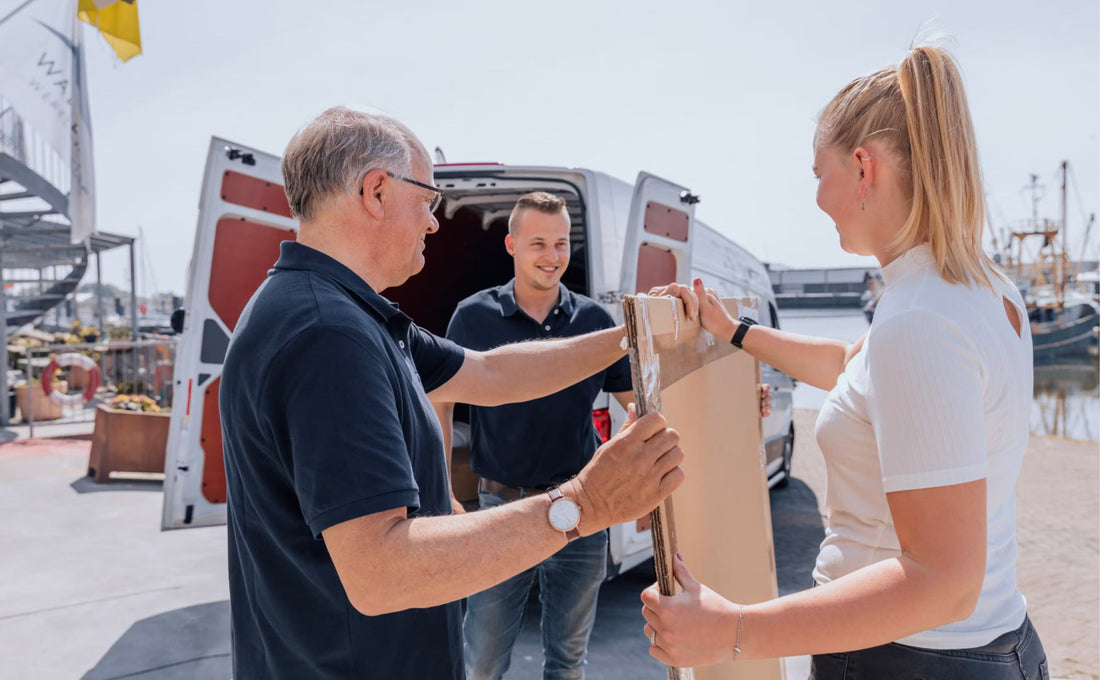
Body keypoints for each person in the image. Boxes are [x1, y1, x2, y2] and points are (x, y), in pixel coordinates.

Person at [218, 106, 691, 680]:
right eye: (429, 200)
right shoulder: (328, 336)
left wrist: (628, 337)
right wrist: (585, 503)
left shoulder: (340, 313)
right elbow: (382, 570)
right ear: (376, 191)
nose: (435, 223)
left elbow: (491, 374)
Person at [642, 46, 1048, 679]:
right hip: (991, 647)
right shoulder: (979, 288)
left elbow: (943, 581)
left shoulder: (919, 319)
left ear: (864, 168)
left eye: (817, 174)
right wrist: (735, 330)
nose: (817, 197)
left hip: (909, 660)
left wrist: (733, 630)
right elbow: (850, 369)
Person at [434, 192, 635, 680]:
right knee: (481, 663)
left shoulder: (593, 322)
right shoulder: (472, 316)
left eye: (562, 244)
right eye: (539, 243)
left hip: (581, 512)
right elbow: (440, 405)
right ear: (512, 245)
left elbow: (639, 405)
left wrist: (623, 473)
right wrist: (441, 490)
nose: (552, 256)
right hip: (498, 511)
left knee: (567, 663)